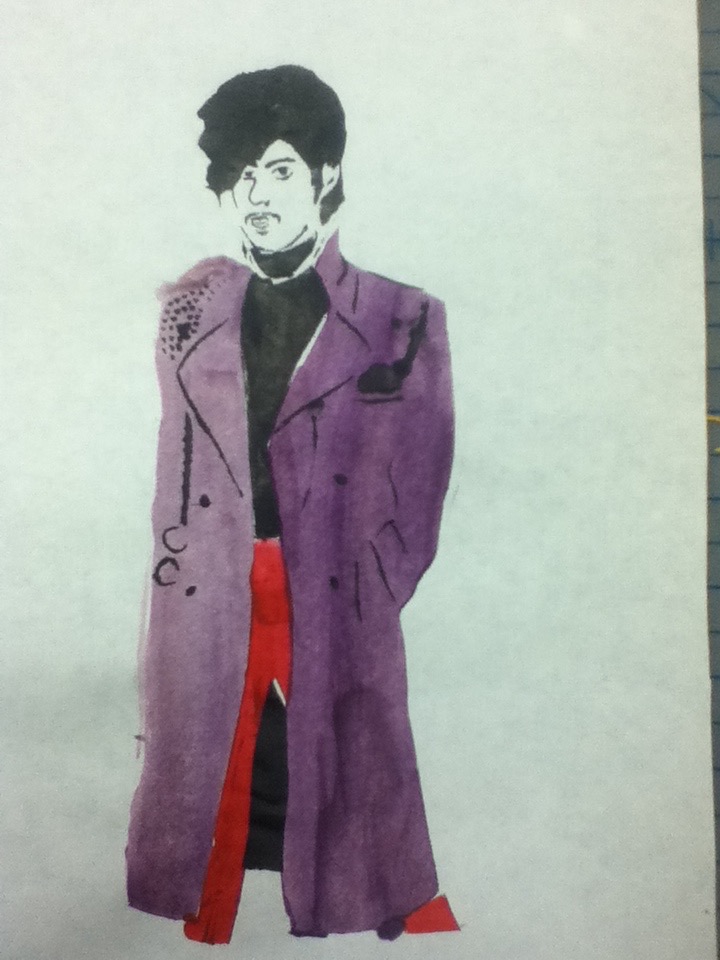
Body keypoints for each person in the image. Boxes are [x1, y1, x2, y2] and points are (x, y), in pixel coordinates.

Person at [125, 64, 457, 945]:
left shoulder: (403, 316)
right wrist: (177, 572)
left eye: (278, 170)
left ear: (326, 176)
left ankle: (366, 904)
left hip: (334, 595)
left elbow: (420, 492)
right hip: (209, 594)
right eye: (240, 176)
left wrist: (368, 588)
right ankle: (202, 906)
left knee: (345, 773)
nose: (257, 196)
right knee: (209, 766)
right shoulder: (191, 310)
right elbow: (176, 469)